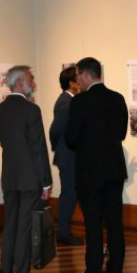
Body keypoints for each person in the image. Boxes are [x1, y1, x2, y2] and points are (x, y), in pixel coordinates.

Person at [65, 57, 128, 273]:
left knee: (93, 225)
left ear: (84, 75)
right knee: (114, 223)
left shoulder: (80, 102)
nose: (76, 81)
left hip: (89, 172)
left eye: (78, 76)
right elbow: (121, 134)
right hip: (114, 170)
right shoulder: (118, 98)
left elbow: (71, 139)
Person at [0, 65, 52, 273]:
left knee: (11, 223)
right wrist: (46, 182)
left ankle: (6, 268)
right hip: (30, 179)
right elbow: (39, 149)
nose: (34, 84)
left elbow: (4, 141)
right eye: (31, 79)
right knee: (25, 227)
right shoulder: (31, 111)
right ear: (19, 83)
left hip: (9, 176)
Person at [49, 66, 83, 246]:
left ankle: (64, 232)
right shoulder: (65, 101)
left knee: (71, 193)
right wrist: (59, 148)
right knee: (69, 194)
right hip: (68, 156)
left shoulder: (70, 100)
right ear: (72, 83)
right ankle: (63, 233)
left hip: (70, 155)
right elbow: (55, 130)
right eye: (78, 78)